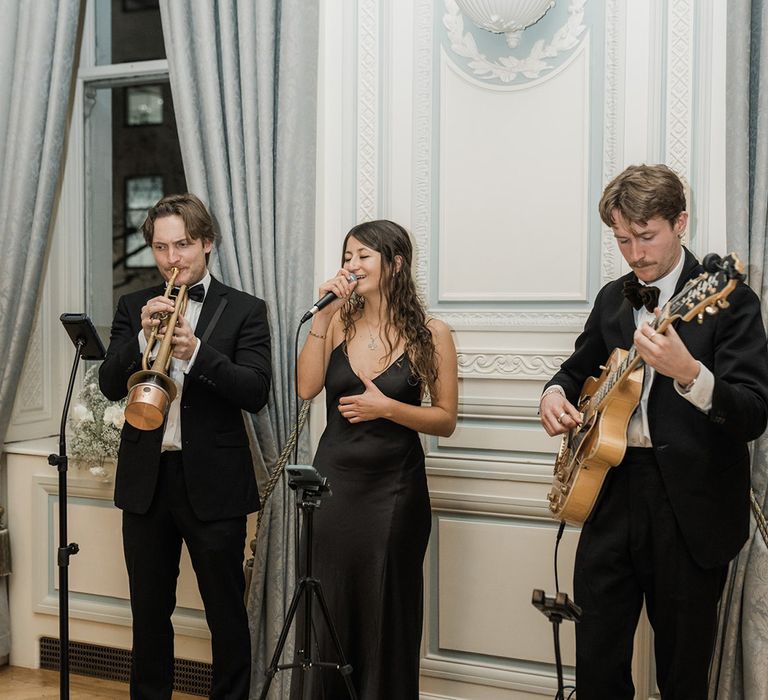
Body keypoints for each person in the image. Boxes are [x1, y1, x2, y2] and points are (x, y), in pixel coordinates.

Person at [539, 164, 768, 699]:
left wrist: (690, 374)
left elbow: (754, 413)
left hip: (689, 505)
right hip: (610, 491)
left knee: (683, 675)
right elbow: (574, 371)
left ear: (680, 222)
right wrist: (553, 395)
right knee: (597, 663)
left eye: (647, 236)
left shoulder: (729, 299)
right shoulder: (612, 298)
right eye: (623, 239)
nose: (635, 253)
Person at [99, 193, 272, 699]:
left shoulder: (245, 309)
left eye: (183, 245)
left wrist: (198, 353)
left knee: (225, 611)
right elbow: (111, 384)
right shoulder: (134, 306)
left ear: (207, 243)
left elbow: (255, 391)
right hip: (146, 483)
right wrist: (140, 337)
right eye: (160, 247)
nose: (172, 259)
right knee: (149, 613)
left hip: (214, 483)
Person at [294, 220, 458, 699]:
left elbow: (445, 419)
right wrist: (322, 320)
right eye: (347, 256)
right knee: (332, 605)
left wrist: (387, 408)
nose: (352, 265)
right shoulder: (338, 323)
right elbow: (307, 389)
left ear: (396, 263)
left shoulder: (432, 333)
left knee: (387, 610)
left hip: (395, 491)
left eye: (363, 255)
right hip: (333, 488)